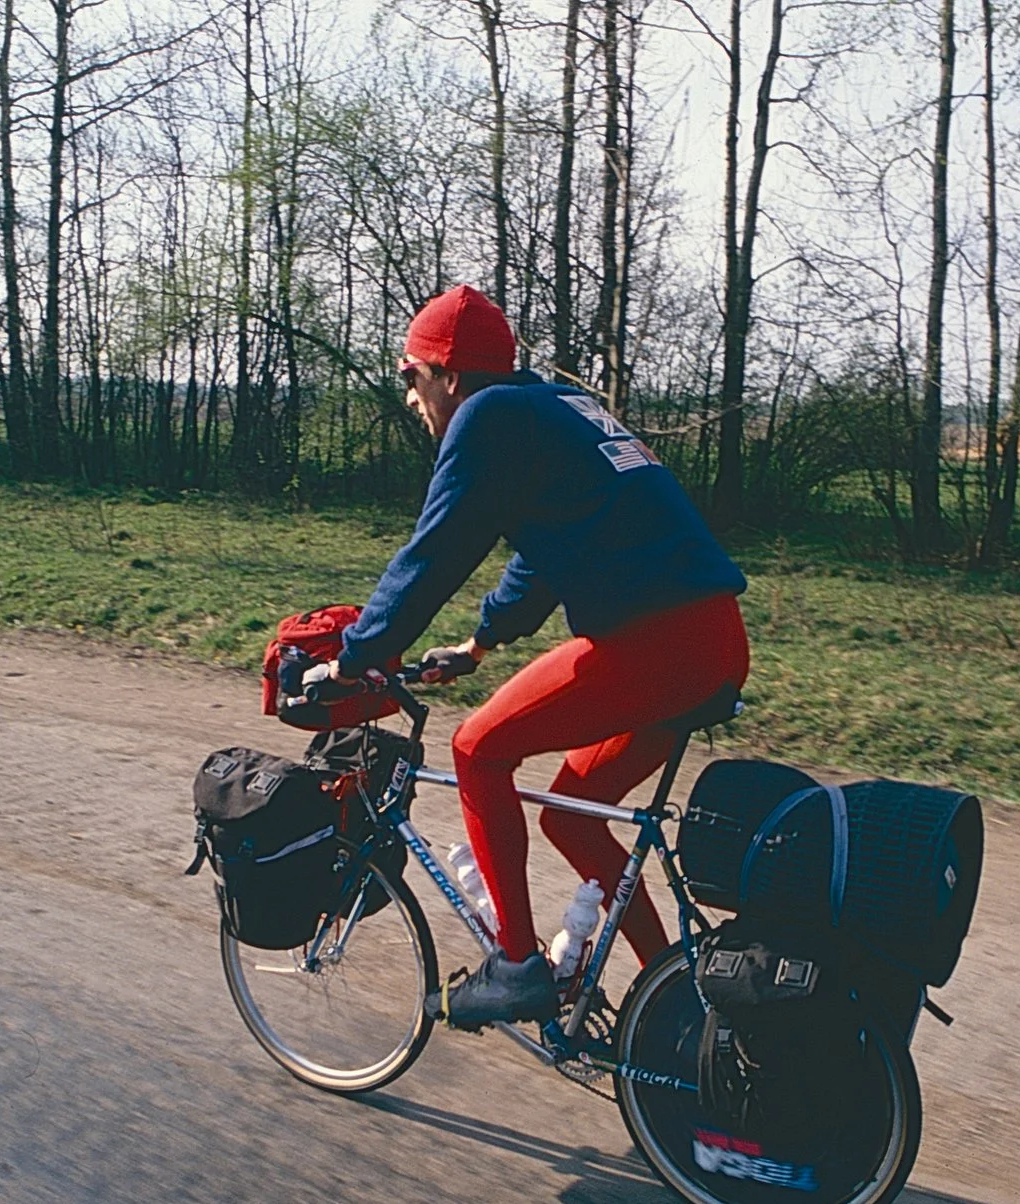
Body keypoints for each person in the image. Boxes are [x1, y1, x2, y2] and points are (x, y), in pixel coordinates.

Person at [308, 284, 749, 1028]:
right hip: (709, 640)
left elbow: (435, 553)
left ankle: (516, 968)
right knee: (573, 819)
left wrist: (355, 659)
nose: (412, 399)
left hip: (656, 643)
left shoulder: (487, 417)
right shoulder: (546, 407)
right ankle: (674, 998)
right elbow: (543, 551)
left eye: (411, 376)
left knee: (477, 748)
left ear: (447, 371)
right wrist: (480, 643)